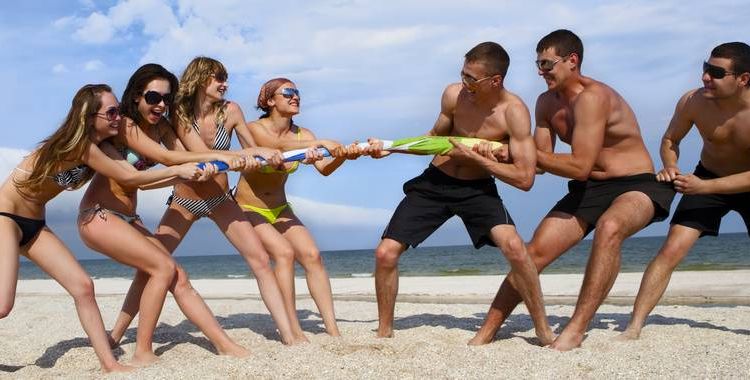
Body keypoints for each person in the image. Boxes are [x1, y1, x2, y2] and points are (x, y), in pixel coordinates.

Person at [469, 29, 675, 351]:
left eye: (547, 64)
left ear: (572, 61)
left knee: (610, 228)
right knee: (532, 254)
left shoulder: (593, 98)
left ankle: (576, 329)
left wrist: (524, 153)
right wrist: (499, 151)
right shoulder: (545, 103)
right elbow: (538, 163)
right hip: (588, 187)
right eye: (537, 64)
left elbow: (577, 164)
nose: (541, 72)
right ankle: (488, 329)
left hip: (636, 184)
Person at [0, 84, 203, 372]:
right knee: (2, 306)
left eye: (118, 111)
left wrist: (181, 174)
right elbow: (131, 178)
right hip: (5, 216)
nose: (118, 117)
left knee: (83, 286)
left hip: (35, 224)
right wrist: (178, 172)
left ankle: (109, 364)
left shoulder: (99, 150)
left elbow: (132, 176)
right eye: (111, 112)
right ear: (89, 116)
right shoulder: (81, 146)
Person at [366, 41, 554, 344]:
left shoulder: (514, 112)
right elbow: (433, 138)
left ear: (495, 80)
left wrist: (478, 160)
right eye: (462, 74)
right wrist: (390, 148)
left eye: (471, 78)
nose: (464, 83)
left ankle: (543, 329)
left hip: (477, 188)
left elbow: (525, 177)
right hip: (436, 183)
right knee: (385, 253)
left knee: (517, 249)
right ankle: (385, 329)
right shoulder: (454, 94)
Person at [108, 58, 304, 346]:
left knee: (261, 260)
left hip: (220, 199)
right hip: (184, 202)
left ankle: (289, 334)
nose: (224, 83)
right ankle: (115, 334)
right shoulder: (178, 114)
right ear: (200, 80)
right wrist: (231, 158)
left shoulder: (232, 111)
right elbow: (195, 153)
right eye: (217, 78)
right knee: (149, 268)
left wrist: (272, 155)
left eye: (225, 78)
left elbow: (251, 150)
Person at [78, 64, 253, 364]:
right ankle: (143, 351)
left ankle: (223, 343)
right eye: (153, 97)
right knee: (162, 268)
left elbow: (186, 153)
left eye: (166, 99)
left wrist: (220, 162)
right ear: (135, 97)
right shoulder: (125, 126)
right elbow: (169, 158)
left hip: (128, 218)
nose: (161, 105)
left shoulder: (161, 128)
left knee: (175, 275)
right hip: (99, 215)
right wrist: (227, 158)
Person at [619, 42, 750, 340]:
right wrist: (671, 165)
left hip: (731, 182)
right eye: (705, 68)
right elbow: (670, 139)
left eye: (716, 73)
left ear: (743, 79)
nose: (705, 77)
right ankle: (634, 326)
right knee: (671, 249)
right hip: (708, 177)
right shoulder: (694, 101)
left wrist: (705, 187)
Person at [235, 78, 360, 340]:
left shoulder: (305, 136)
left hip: (280, 208)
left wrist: (342, 156)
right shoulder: (252, 129)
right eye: (288, 93)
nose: (296, 97)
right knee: (285, 253)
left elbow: (324, 169)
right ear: (270, 101)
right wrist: (323, 143)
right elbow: (275, 148)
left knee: (313, 255)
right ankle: (291, 327)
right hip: (248, 207)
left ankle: (332, 329)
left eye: (297, 93)